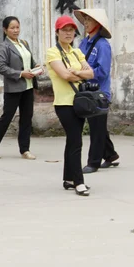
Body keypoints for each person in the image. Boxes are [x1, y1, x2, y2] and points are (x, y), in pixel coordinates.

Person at [46, 15, 94, 196]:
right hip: (64, 103)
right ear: (57, 32)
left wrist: (77, 72)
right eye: (64, 30)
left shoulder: (76, 52)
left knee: (72, 140)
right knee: (76, 141)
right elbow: (65, 76)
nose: (68, 33)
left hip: (79, 102)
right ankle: (79, 182)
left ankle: (68, 178)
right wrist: (79, 73)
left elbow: (91, 73)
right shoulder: (53, 52)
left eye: (71, 30)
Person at [0, 16, 41, 160]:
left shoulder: (24, 43)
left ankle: (25, 149)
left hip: (28, 86)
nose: (16, 30)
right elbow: (2, 68)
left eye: (17, 27)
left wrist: (36, 68)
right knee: (7, 117)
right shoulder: (3, 47)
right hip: (14, 88)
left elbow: (30, 62)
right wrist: (21, 73)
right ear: (5, 30)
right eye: (12, 28)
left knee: (27, 118)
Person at [74, 9, 120, 173]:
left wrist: (84, 72)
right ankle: (111, 155)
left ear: (98, 24)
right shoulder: (83, 43)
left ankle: (93, 162)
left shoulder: (102, 45)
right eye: (85, 20)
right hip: (86, 91)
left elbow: (103, 71)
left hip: (99, 93)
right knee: (98, 126)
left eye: (89, 20)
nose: (85, 23)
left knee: (96, 128)